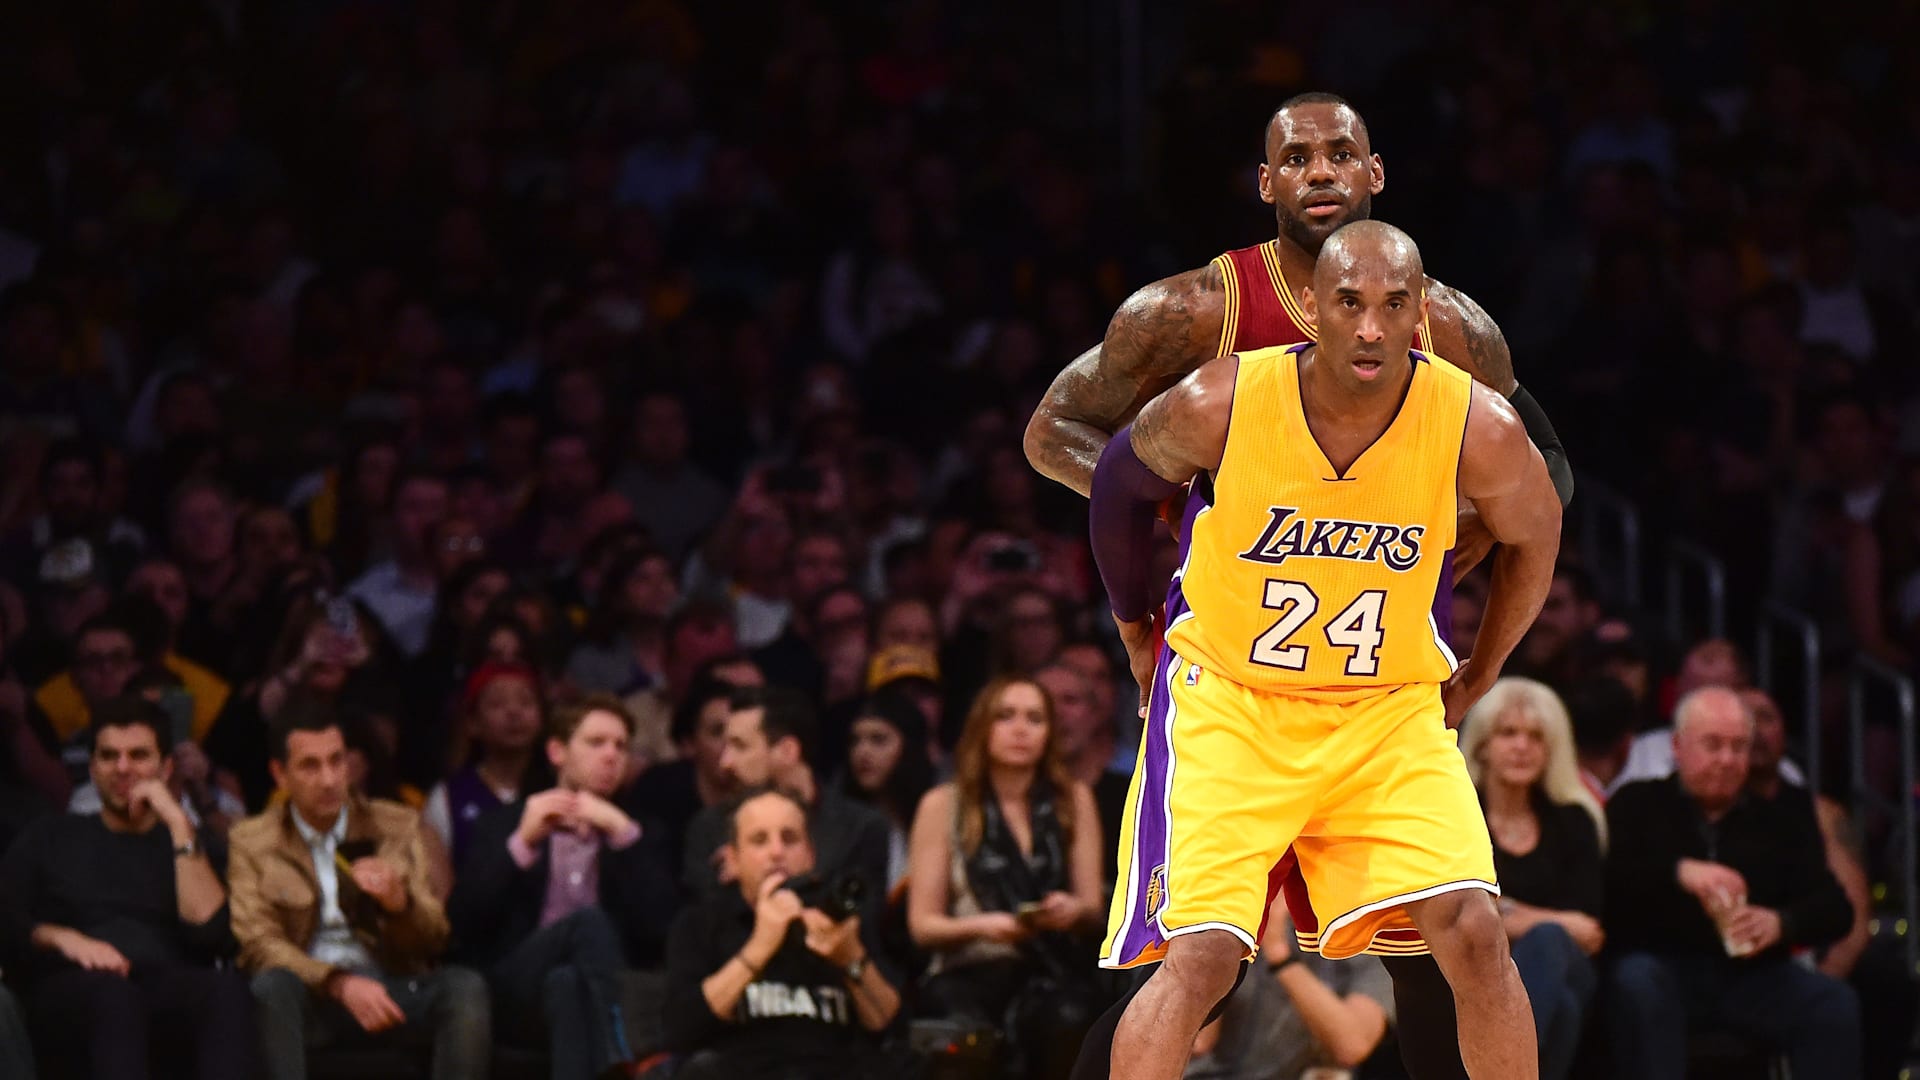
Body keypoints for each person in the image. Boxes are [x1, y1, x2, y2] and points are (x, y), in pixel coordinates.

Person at [1028, 93, 1574, 1079]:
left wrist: (1449, 556)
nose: (1321, 173)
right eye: (1298, 157)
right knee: (1204, 963)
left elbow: (1546, 492)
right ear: (1267, 183)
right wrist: (1180, 542)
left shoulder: (1454, 340)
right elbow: (1076, 449)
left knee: (1453, 944)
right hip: (1237, 691)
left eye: (1341, 154)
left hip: (1380, 695)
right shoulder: (1203, 329)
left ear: (1376, 174)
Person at [228, 699, 490, 1080]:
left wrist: (401, 906)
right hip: (310, 995)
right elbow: (258, 945)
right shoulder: (252, 840)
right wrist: (338, 983)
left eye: (337, 761)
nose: (329, 779)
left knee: (463, 987)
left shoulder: (395, 824)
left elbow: (435, 938)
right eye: (310, 766)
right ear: (279, 774)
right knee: (272, 986)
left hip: (390, 987)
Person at [1605, 687, 1858, 1079]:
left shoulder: (1779, 820)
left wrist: (1781, 923)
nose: (1727, 759)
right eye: (1713, 745)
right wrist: (1678, 872)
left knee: (1831, 1002)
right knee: (1637, 982)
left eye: (1739, 747)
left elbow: (1835, 908)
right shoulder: (1636, 803)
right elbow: (1609, 883)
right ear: (1678, 746)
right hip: (1662, 968)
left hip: (1751, 976)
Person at [0, 697, 255, 1079]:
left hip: (164, 987)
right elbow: (6, 917)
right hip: (71, 993)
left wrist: (178, 823)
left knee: (226, 991)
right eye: (109, 756)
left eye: (138, 755)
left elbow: (212, 935)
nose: (122, 768)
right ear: (93, 767)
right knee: (115, 996)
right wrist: (61, 937)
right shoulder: (51, 835)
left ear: (166, 768)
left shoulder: (190, 844)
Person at [449, 694, 680, 1079]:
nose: (611, 756)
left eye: (621, 746)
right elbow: (462, 923)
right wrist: (522, 843)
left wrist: (622, 833)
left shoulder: (640, 834)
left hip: (583, 989)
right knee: (587, 922)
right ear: (557, 751)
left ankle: (611, 1055)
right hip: (516, 984)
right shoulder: (504, 824)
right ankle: (623, 1045)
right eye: (596, 743)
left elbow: (663, 930)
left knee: (567, 985)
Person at [906, 676, 1105, 1079]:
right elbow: (923, 926)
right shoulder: (942, 804)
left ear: (1049, 733)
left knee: (1070, 1015)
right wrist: (985, 926)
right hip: (970, 968)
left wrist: (1071, 910)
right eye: (1005, 716)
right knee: (964, 1027)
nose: (1020, 729)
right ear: (982, 726)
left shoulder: (1074, 800)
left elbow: (1094, 908)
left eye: (1034, 718)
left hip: (1054, 967)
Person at [662, 786, 905, 1079]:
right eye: (759, 840)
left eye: (790, 839)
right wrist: (759, 947)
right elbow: (682, 1029)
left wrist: (850, 957)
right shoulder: (700, 924)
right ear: (733, 860)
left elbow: (891, 1026)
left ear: (810, 855)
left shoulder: (838, 922)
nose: (777, 852)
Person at [1459, 678, 1606, 1080]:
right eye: (1508, 733)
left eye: (1536, 736)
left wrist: (1505, 912)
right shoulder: (1459, 819)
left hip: (1566, 966)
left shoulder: (1574, 821)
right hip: (1475, 970)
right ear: (1483, 745)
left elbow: (1589, 933)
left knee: (1548, 943)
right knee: (1564, 1009)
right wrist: (1556, 920)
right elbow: (1459, 916)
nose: (1522, 746)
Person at [681, 685, 889, 902]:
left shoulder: (860, 829)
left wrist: (750, 879)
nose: (726, 763)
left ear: (787, 751)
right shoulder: (710, 829)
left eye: (740, 746)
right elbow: (702, 917)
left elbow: (860, 914)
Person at [1184, 895, 1393, 1080]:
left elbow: (1352, 1045)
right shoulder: (1239, 921)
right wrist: (1227, 944)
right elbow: (1199, 1042)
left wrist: (1280, 955)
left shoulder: (1371, 940)